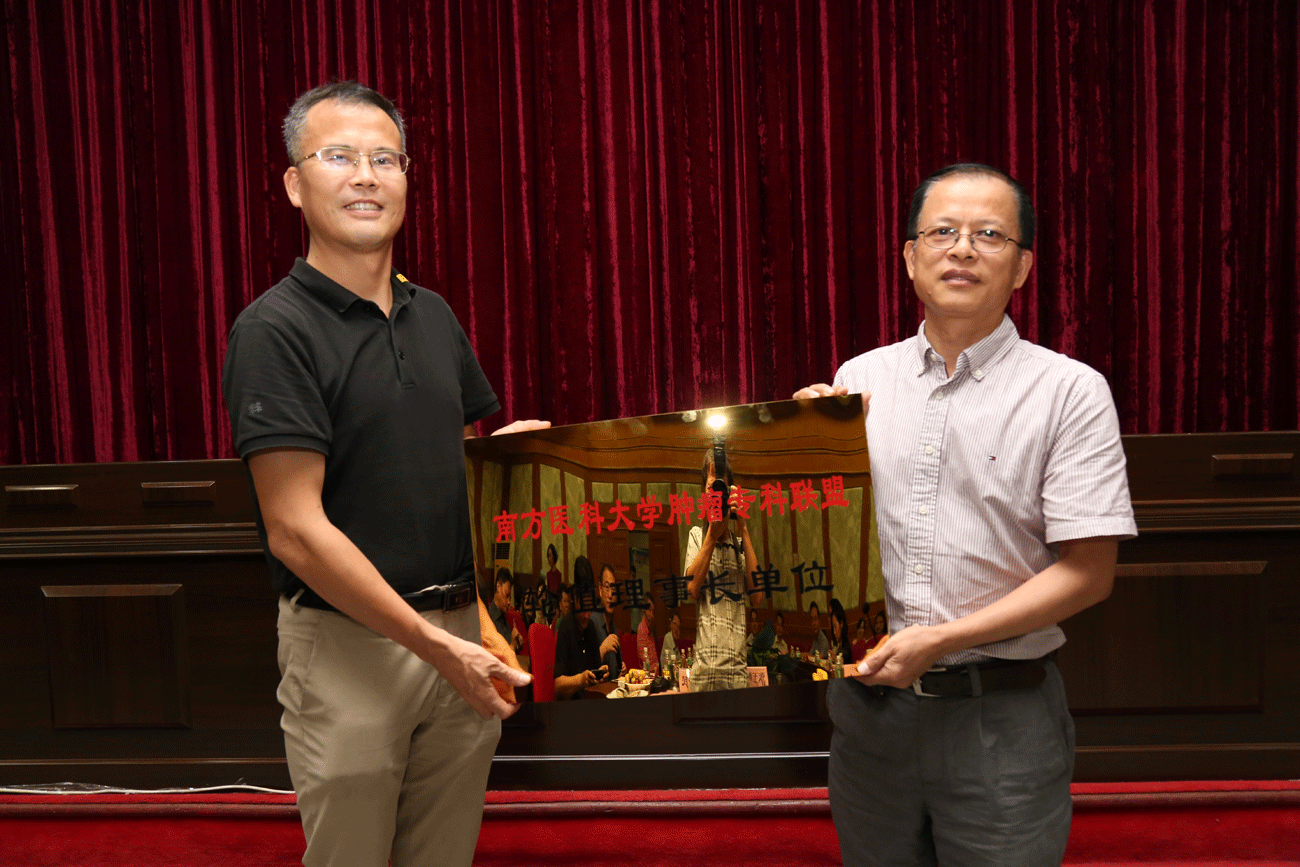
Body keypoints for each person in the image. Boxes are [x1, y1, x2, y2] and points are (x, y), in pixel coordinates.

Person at [221, 81, 547, 867]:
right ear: (294, 183)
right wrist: (432, 645)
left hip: (461, 633)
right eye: (338, 156)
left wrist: (511, 461)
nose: (366, 176)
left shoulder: (433, 314)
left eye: (385, 159)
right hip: (351, 647)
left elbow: (449, 472)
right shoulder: (274, 330)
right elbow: (295, 530)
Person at [795, 163, 1136, 866]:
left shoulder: (1069, 391)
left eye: (989, 235)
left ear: (1022, 266)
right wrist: (789, 451)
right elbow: (824, 546)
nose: (962, 249)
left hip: (1001, 719)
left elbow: (1089, 573)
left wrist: (940, 640)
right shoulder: (858, 379)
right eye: (942, 231)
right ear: (909, 257)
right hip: (870, 719)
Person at [684, 449, 759, 691]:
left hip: (737, 674)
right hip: (703, 674)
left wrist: (743, 526)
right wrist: (712, 534)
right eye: (711, 487)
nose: (716, 494)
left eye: (721, 488)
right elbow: (691, 590)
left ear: (731, 493)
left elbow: (757, 597)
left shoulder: (740, 546)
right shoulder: (697, 536)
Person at [552, 590, 608, 699]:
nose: (587, 616)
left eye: (590, 609)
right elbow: (557, 686)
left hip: (589, 700)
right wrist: (581, 680)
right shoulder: (566, 626)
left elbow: (595, 672)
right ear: (575, 603)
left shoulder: (591, 627)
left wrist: (601, 674)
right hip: (570, 703)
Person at [488, 568, 524, 654]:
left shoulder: (504, 620)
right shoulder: (488, 618)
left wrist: (517, 646)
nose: (509, 602)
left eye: (510, 598)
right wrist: (513, 645)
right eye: (506, 595)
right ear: (498, 587)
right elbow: (497, 656)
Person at [636, 602, 659, 675]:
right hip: (647, 674)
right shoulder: (642, 629)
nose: (652, 615)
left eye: (653, 611)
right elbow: (644, 660)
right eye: (649, 611)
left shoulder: (650, 628)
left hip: (655, 672)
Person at [828, 599, 852, 664]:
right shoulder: (837, 643)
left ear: (841, 624)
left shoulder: (845, 649)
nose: (834, 632)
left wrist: (836, 660)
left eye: (835, 626)